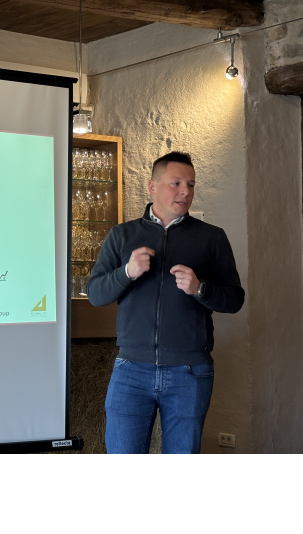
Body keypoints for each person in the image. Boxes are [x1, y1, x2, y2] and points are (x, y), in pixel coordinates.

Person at [87, 151, 244, 454]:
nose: (186, 191)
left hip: (190, 371)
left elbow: (235, 299)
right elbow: (95, 294)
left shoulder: (212, 238)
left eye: (191, 184)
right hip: (131, 370)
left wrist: (200, 288)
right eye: (176, 183)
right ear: (152, 187)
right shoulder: (122, 235)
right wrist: (126, 272)